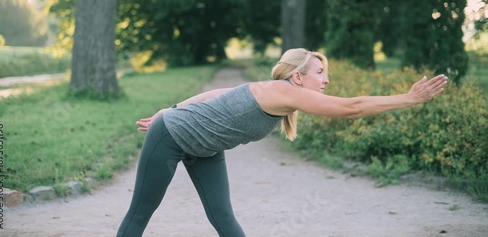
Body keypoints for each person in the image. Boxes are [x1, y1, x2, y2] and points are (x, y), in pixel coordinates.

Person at [116, 48, 448, 237]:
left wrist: (172, 106)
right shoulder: (283, 91)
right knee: (142, 212)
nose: (326, 79)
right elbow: (352, 108)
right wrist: (408, 98)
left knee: (223, 217)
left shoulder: (279, 94)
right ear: (298, 76)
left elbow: (219, 93)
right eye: (320, 72)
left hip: (205, 148)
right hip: (170, 134)